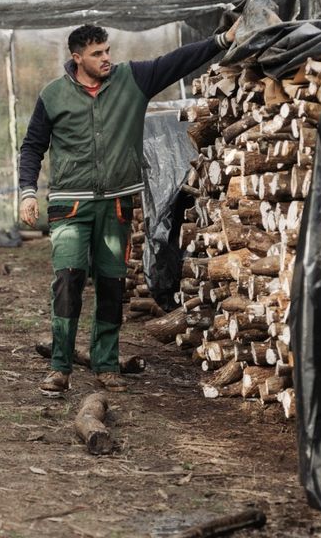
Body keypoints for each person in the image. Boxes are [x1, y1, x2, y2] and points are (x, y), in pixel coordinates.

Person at [18, 22, 238, 395]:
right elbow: (33, 145)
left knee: (111, 284)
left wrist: (222, 40)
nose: (106, 58)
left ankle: (106, 365)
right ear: (77, 58)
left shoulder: (132, 80)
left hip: (116, 205)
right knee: (68, 280)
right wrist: (27, 191)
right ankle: (60, 367)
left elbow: (177, 61)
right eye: (97, 54)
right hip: (70, 205)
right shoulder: (53, 95)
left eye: (107, 50)